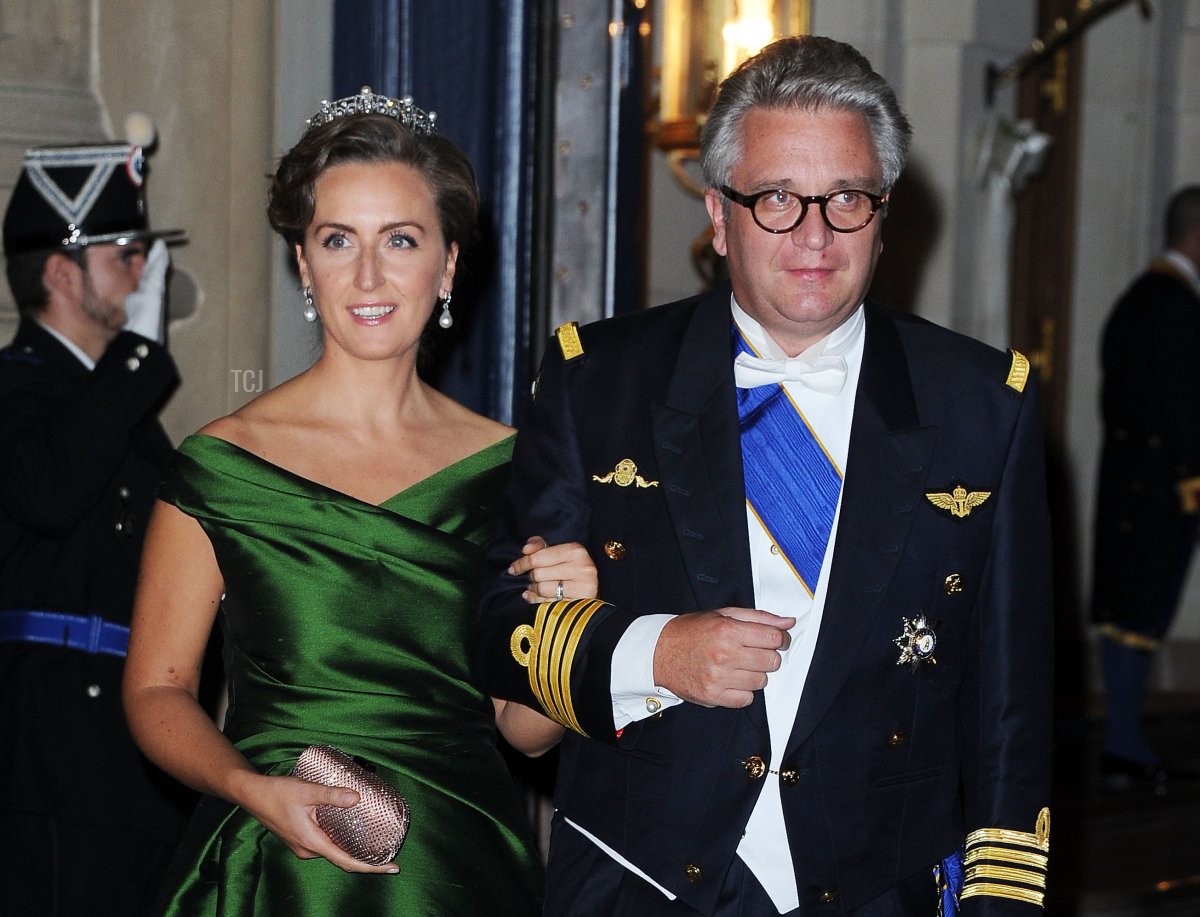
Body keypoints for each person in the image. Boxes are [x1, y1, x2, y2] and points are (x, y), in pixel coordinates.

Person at [477, 36, 1054, 915]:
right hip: (639, 878)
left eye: (847, 198)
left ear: (883, 215)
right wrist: (654, 651)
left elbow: (1013, 710)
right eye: (778, 198)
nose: (815, 235)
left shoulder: (982, 403)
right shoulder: (599, 381)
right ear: (718, 217)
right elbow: (500, 630)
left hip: (880, 887)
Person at [122, 88, 592, 916]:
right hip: (277, 865)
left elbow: (522, 729)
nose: (368, 276)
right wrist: (250, 787)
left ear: (448, 264)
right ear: (305, 265)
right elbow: (157, 690)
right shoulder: (223, 465)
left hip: (459, 865)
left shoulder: (517, 467)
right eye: (338, 240)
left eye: (400, 239)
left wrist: (565, 622)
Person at [0, 141, 191, 915]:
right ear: (60, 271)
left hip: (135, 756)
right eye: (125, 255)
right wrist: (138, 356)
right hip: (53, 756)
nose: (143, 274)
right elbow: (50, 491)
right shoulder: (17, 387)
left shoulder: (120, 411)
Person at [1092, 185, 1200, 788]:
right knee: (1140, 613)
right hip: (1165, 489)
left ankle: (1123, 741)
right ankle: (1124, 746)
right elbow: (1186, 410)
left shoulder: (1138, 297)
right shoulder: (1177, 305)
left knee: (1125, 611)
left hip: (1128, 484)